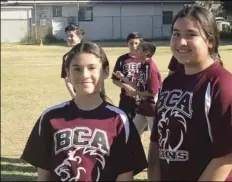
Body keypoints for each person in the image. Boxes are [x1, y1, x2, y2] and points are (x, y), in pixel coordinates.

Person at [21, 42, 147, 181]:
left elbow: (124, 175)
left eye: (92, 68)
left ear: (105, 72)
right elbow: (44, 174)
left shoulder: (119, 120)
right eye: (77, 69)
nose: (84, 75)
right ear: (68, 73)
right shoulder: (51, 117)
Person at [148, 6, 232, 181]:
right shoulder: (170, 83)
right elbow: (157, 142)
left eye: (191, 35)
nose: (181, 42)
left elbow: (228, 155)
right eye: (176, 34)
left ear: (209, 40)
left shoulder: (221, 84)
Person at [114, 41, 162, 137]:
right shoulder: (142, 66)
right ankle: (133, 152)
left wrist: (135, 93)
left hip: (152, 109)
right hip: (142, 107)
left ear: (146, 53)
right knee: (134, 134)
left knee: (156, 138)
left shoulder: (151, 68)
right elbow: (137, 85)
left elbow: (153, 92)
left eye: (139, 49)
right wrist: (123, 78)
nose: (136, 50)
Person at [111, 32, 143, 121]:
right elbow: (115, 80)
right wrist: (125, 86)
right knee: (125, 122)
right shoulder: (122, 59)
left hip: (141, 98)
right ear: (127, 44)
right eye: (131, 43)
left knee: (140, 127)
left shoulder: (144, 59)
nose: (134, 46)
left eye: (136, 43)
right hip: (126, 98)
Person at [61, 24, 85, 98]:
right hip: (77, 96)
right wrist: (73, 95)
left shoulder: (90, 53)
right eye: (67, 36)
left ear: (79, 37)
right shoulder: (66, 57)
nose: (68, 38)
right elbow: (67, 78)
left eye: (71, 36)